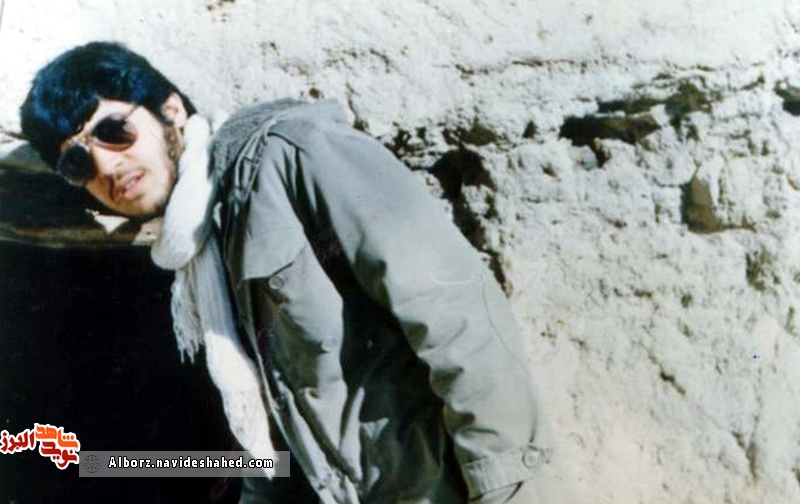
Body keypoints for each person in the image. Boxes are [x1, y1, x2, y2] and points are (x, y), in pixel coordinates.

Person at [20, 41, 561, 503]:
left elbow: (460, 323)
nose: (106, 165)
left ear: (171, 111)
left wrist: (507, 490)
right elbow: (271, 445)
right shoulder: (204, 256)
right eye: (77, 162)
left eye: (114, 131)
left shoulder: (293, 156)